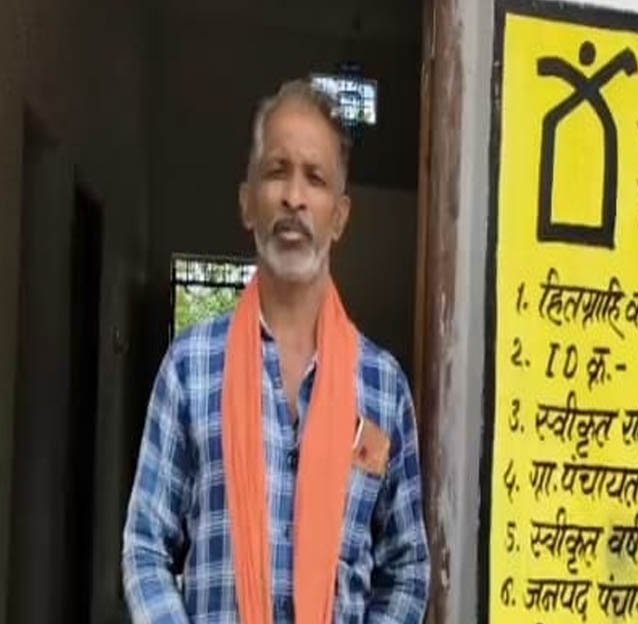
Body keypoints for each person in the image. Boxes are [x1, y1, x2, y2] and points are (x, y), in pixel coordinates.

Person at [122, 79, 430, 623]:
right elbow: (145, 547)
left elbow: (406, 568)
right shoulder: (190, 368)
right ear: (247, 203)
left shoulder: (382, 386)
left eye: (315, 178)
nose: (294, 197)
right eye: (276, 171)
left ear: (339, 216)